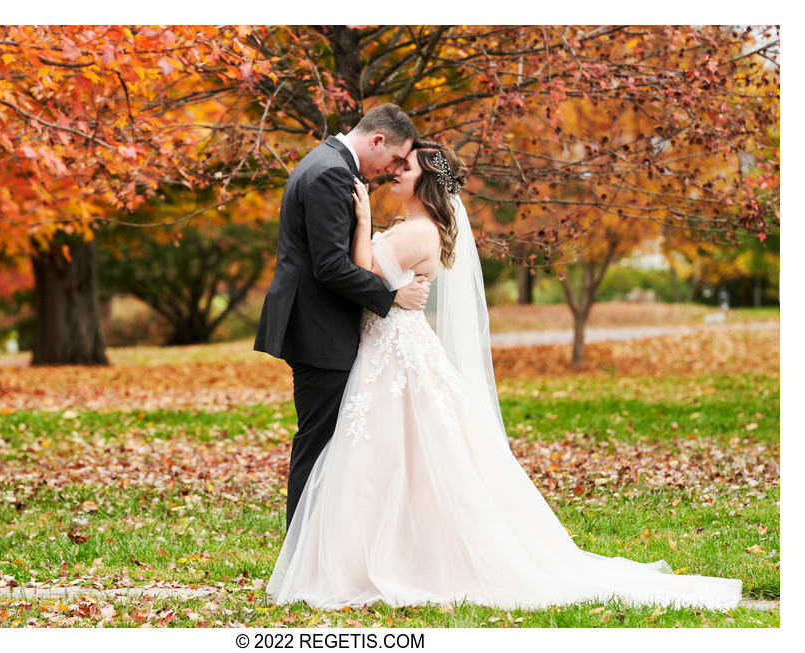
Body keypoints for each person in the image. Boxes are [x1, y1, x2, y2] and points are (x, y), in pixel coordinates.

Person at [264, 141, 743, 611]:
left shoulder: (418, 232)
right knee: (387, 460)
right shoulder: (412, 226)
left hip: (394, 354)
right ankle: (360, 555)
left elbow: (359, 267)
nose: (394, 172)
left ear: (425, 182)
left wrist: (364, 221)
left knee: (393, 457)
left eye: (404, 168)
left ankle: (380, 560)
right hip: (386, 349)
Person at [254, 104, 431, 532]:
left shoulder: (325, 163)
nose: (391, 171)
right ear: (376, 141)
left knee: (328, 443)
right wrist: (393, 297)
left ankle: (318, 552)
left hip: (319, 325)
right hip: (319, 330)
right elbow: (330, 267)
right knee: (318, 444)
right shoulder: (331, 172)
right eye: (393, 159)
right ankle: (300, 557)